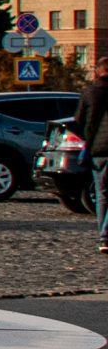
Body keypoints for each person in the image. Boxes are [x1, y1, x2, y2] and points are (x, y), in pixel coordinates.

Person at [78, 72, 108, 255]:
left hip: (97, 149)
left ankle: (104, 236)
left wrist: (87, 140)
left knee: (102, 194)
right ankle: (106, 235)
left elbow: (78, 119)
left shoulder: (89, 91)